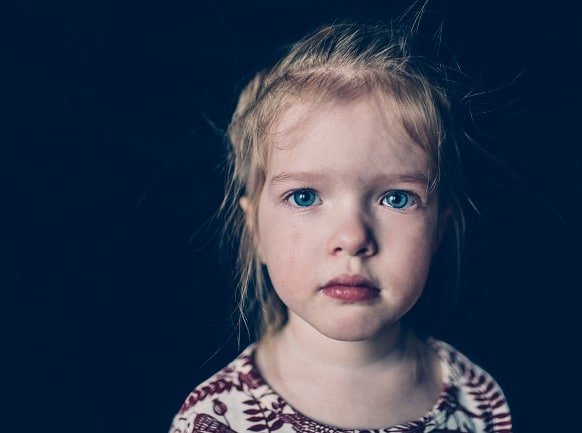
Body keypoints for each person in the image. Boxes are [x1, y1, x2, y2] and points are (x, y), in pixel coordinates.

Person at [169, 14, 512, 433]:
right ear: (254, 230)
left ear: (440, 228)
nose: (352, 238)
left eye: (396, 198)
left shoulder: (477, 401)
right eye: (304, 196)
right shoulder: (217, 418)